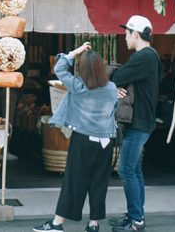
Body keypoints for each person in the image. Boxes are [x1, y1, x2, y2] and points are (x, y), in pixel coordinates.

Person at [33, 42, 118, 232]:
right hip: (106, 141)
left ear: (82, 69)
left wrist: (76, 52)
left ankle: (57, 223)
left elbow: (59, 68)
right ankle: (94, 224)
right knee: (99, 183)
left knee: (74, 182)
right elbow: (114, 110)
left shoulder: (78, 86)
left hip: (83, 140)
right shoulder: (112, 88)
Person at [109, 15, 162, 232]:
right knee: (135, 169)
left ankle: (136, 220)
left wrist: (116, 84)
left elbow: (117, 75)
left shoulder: (144, 56)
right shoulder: (151, 56)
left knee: (126, 169)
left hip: (139, 122)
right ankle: (135, 215)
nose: (124, 37)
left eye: (126, 33)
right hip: (142, 121)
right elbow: (121, 79)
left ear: (136, 34)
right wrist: (118, 86)